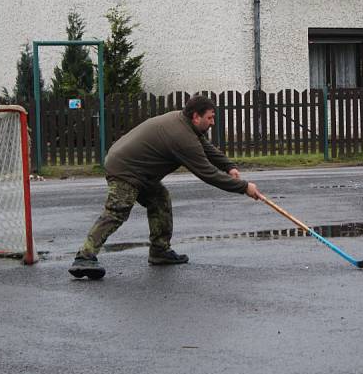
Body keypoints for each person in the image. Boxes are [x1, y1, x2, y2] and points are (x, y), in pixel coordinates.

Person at [69, 95, 263, 280]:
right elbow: (208, 174)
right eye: (210, 118)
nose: (213, 122)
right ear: (196, 116)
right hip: (125, 169)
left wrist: (229, 166)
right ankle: (84, 257)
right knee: (117, 211)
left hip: (141, 171)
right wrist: (244, 187)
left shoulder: (184, 122)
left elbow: (206, 147)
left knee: (159, 199)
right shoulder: (181, 136)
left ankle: (160, 251)